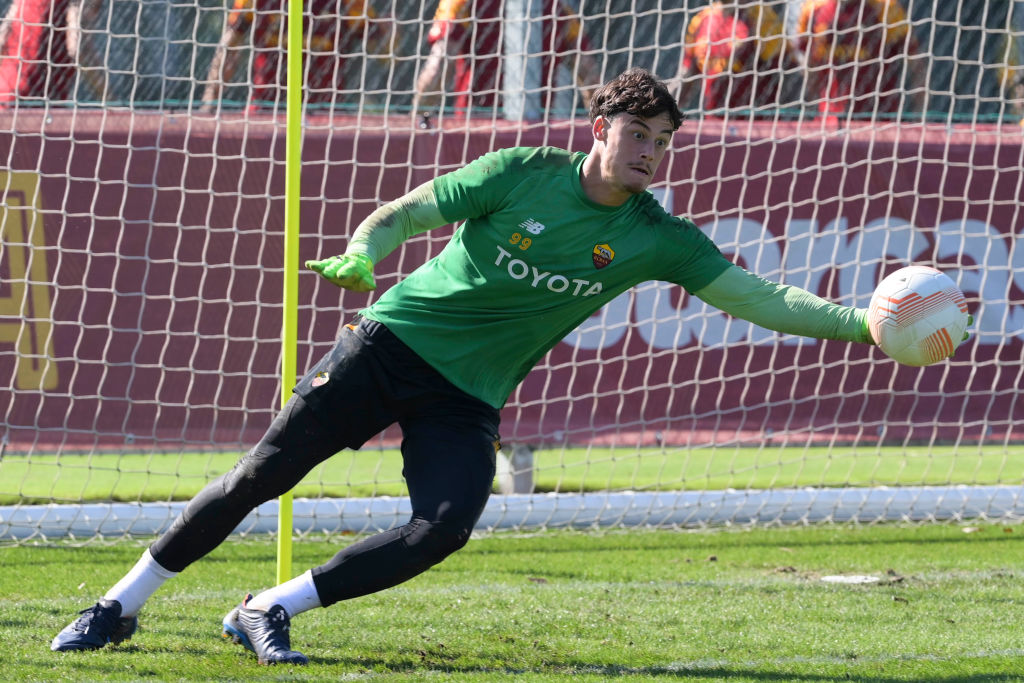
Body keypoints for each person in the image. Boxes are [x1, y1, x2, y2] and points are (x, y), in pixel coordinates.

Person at [52, 67, 880, 665]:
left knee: (441, 527)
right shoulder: (520, 172)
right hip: (386, 346)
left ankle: (269, 607)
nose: (651, 152)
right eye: (638, 135)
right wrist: (360, 252)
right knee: (257, 478)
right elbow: (406, 212)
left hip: (466, 394)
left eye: (663, 142)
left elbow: (763, 299)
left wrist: (865, 326)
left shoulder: (657, 235)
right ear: (600, 131)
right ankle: (116, 606)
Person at [411, 0, 600, 126]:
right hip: (538, 134)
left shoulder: (464, 4)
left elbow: (438, 68)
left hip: (475, 129)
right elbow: (590, 75)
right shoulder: (557, 8)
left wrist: (418, 121)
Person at [200, 0, 390, 113]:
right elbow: (230, 43)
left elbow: (383, 51)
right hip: (266, 109)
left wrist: (390, 34)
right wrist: (210, 99)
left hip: (325, 113)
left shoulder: (349, 3)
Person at [794, 0, 924, 122]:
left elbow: (915, 61)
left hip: (878, 118)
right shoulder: (813, 9)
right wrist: (811, 106)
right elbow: (810, 65)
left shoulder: (885, 8)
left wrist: (920, 111)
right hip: (830, 118)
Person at [673, 0, 798, 116]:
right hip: (715, 120)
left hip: (754, 123)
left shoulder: (762, 18)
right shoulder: (703, 19)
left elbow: (784, 71)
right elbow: (688, 73)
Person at [0, 0, 104, 107]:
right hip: (43, 99)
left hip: (5, 94)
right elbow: (78, 49)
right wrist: (106, 97)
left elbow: (2, 38)